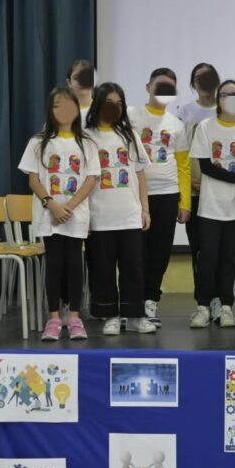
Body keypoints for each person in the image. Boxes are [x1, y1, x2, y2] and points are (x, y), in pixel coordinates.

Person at [17, 87, 99, 341]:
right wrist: (52, 205)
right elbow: (33, 180)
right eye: (56, 105)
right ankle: (54, 318)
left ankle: (74, 318)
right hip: (48, 214)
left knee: (75, 263)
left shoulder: (86, 143)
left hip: (76, 214)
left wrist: (69, 207)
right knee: (53, 264)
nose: (63, 110)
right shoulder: (38, 142)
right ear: (50, 111)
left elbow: (90, 179)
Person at [84, 82, 156, 335]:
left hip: (129, 215)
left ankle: (134, 316)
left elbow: (141, 174)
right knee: (102, 268)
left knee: (134, 268)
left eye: (119, 103)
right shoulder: (87, 136)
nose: (114, 107)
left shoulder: (130, 136)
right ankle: (109, 315)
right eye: (108, 102)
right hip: (99, 216)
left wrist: (145, 209)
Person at [129, 68, 191, 328]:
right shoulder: (130, 115)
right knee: (134, 252)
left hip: (167, 194)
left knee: (159, 252)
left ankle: (150, 301)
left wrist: (185, 202)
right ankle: (131, 304)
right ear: (148, 87)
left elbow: (184, 165)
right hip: (133, 194)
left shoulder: (176, 124)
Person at [189, 79, 235, 328]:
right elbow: (205, 167)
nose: (229, 98)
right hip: (209, 207)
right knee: (207, 259)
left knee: (231, 259)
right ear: (218, 99)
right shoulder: (205, 127)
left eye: (234, 94)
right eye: (225, 94)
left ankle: (226, 305)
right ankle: (203, 306)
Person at [178, 62, 220, 326]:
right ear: (192, 84)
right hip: (194, 193)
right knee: (200, 252)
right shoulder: (185, 112)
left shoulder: (227, 110)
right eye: (198, 78)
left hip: (221, 194)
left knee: (221, 251)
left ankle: (220, 299)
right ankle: (202, 302)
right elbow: (180, 154)